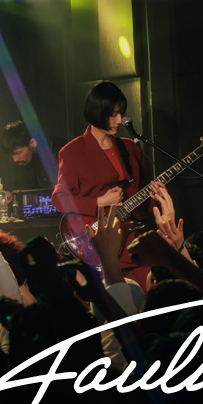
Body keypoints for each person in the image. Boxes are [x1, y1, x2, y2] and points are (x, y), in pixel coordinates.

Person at [52, 81, 149, 286]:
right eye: (113, 114)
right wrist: (99, 201)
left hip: (135, 241)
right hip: (100, 244)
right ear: (97, 112)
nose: (119, 120)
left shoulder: (130, 148)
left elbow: (142, 194)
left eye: (121, 113)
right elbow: (60, 198)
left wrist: (158, 201)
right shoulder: (72, 152)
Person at [0, 120, 51, 190]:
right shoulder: (22, 162)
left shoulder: (55, 156)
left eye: (18, 153)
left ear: (32, 143)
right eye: (12, 155)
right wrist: (12, 195)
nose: (15, 160)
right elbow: (21, 189)